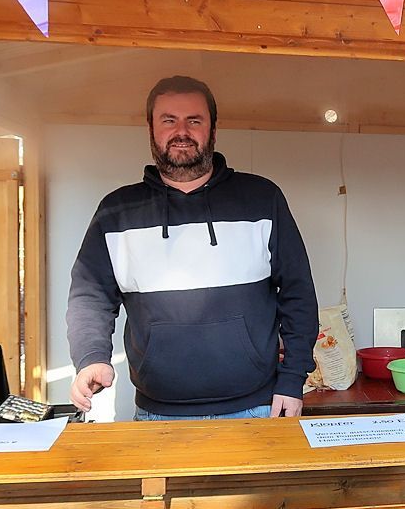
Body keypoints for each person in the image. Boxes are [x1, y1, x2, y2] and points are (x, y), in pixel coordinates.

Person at [67, 76, 319, 420]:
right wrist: (92, 358)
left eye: (194, 120)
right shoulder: (115, 212)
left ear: (213, 129)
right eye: (169, 120)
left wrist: (292, 380)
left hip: (258, 408)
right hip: (157, 415)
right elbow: (90, 297)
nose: (181, 131)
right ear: (151, 128)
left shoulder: (263, 198)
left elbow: (298, 294)